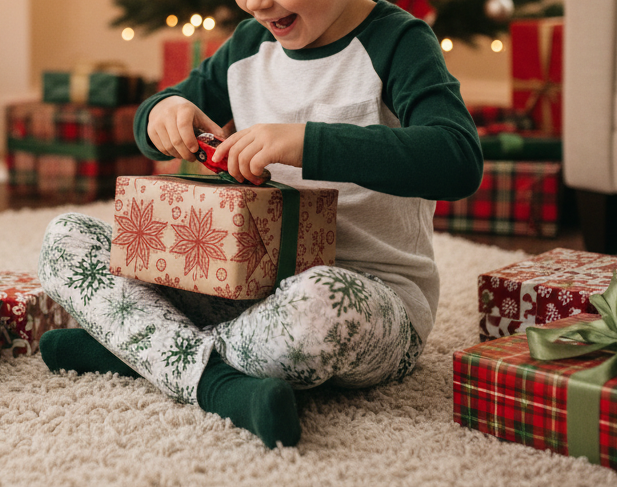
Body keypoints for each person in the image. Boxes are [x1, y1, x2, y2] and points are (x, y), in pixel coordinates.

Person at [38, 0, 483, 449]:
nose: (255, 4)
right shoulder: (249, 45)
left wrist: (309, 142)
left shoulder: (399, 42)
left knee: (320, 303)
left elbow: (457, 158)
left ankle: (142, 349)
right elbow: (157, 116)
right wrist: (161, 112)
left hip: (368, 297)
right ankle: (212, 374)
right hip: (243, 289)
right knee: (65, 238)